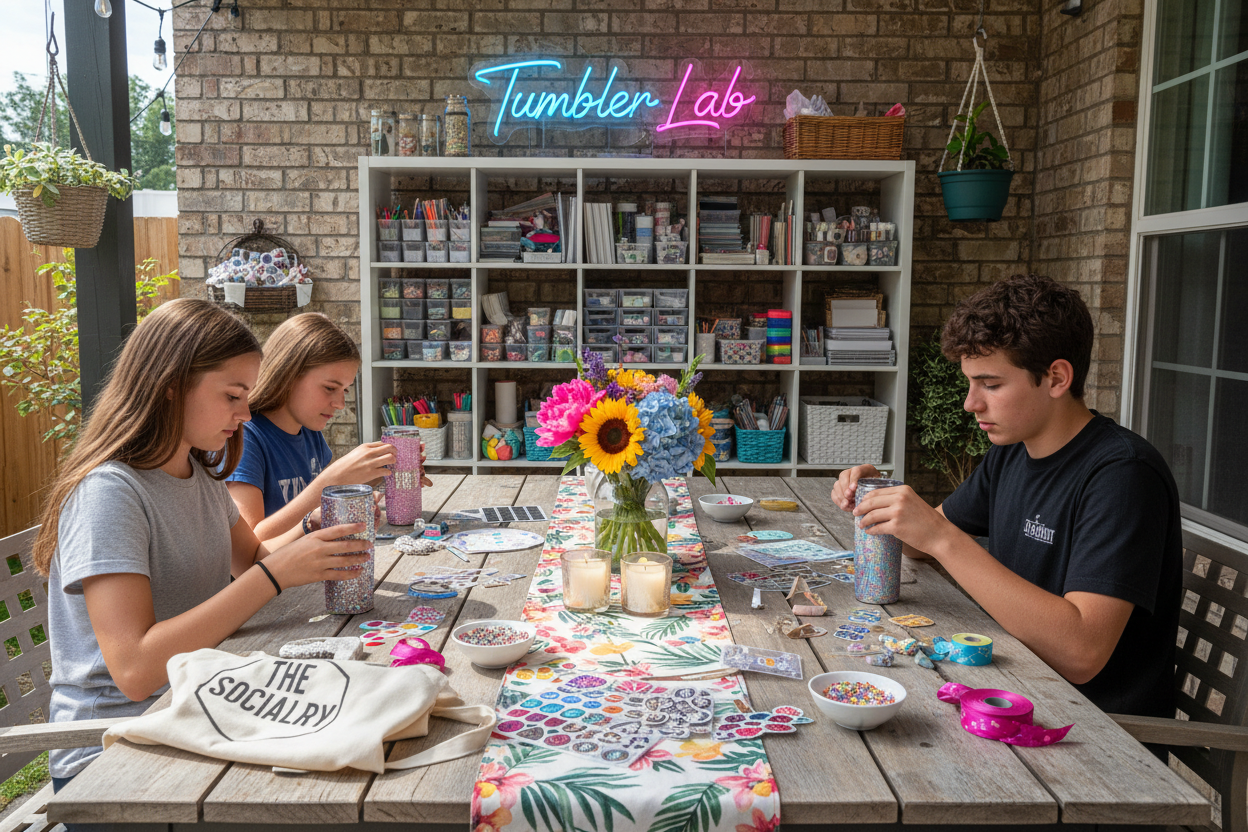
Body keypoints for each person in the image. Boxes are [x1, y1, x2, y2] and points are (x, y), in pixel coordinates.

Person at [37, 299, 370, 795]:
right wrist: (276, 575)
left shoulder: (197, 474)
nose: (247, 412)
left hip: (200, 709)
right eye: (234, 395)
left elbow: (254, 557)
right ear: (171, 386)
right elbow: (134, 670)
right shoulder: (109, 493)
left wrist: (314, 536)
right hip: (113, 750)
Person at [832, 274, 1182, 721]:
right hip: (1012, 687)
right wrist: (883, 497)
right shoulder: (1015, 452)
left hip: (1090, 730)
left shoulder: (1123, 475)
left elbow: (1081, 652)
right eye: (970, 384)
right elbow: (919, 546)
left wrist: (944, 539)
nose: (970, 403)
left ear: (1056, 377)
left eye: (990, 384)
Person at [225, 313, 429, 540]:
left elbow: (318, 505)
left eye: (345, 390)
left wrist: (390, 473)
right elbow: (252, 543)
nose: (340, 404)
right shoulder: (244, 437)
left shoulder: (311, 434)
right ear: (288, 374)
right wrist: (331, 480)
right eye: (330, 388)